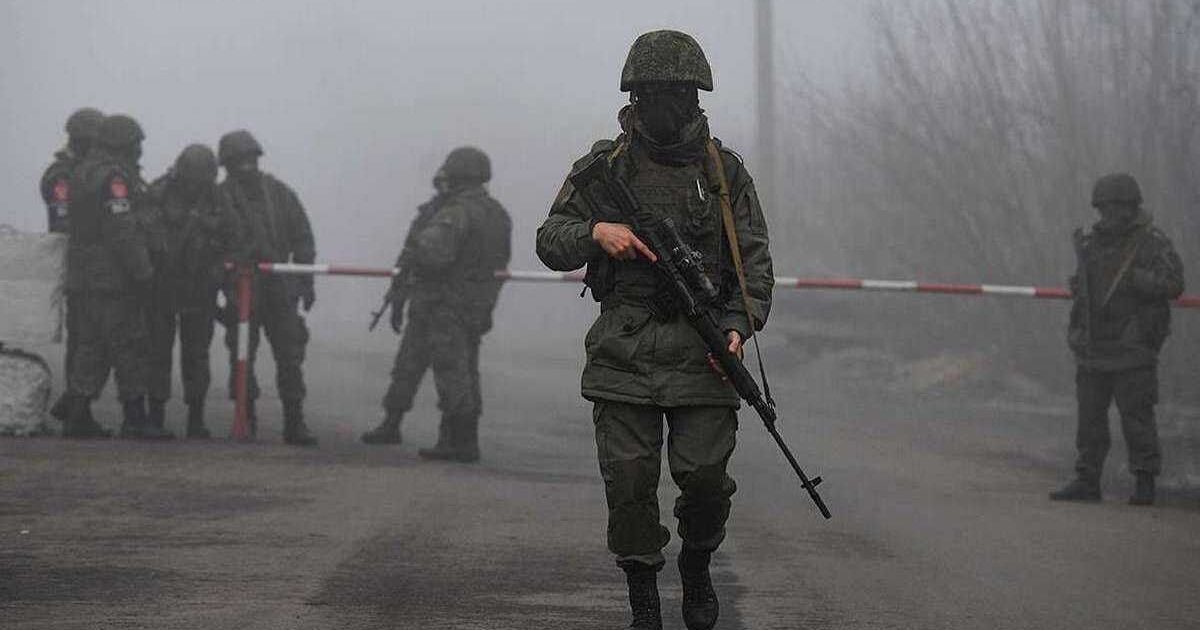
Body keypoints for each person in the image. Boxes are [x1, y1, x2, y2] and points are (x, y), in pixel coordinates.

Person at [535, 30, 774, 630]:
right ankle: (643, 595)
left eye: (677, 93)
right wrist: (596, 233)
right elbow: (550, 239)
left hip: (704, 348)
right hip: (625, 349)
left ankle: (697, 564)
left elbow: (753, 267)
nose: (666, 104)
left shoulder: (724, 174)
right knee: (630, 485)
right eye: (654, 92)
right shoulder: (605, 169)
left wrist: (737, 328)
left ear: (695, 97)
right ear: (635, 96)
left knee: (706, 481)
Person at [361, 148, 512, 463]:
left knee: (449, 371)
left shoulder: (456, 212)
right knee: (439, 367)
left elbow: (432, 254)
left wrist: (412, 267)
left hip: (442, 303)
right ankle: (414, 428)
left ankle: (459, 441)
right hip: (468, 304)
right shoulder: (496, 214)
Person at [1051, 173, 1184, 506]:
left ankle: (1144, 481)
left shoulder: (1151, 242)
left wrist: (1138, 280)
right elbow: (1084, 290)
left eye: (1111, 208)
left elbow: (1173, 283)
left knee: (1137, 419)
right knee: (1090, 420)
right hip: (1094, 347)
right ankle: (1087, 479)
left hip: (1133, 347)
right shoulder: (1092, 244)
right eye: (1102, 209)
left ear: (1128, 207)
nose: (1106, 215)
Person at [62, 114, 171, 439]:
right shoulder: (114, 178)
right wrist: (143, 273)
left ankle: (77, 414)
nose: (140, 151)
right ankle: (135, 418)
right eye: (136, 144)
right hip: (113, 278)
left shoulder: (82, 172)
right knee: (130, 345)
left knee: (91, 346)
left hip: (85, 278)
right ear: (123, 144)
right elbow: (122, 230)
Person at [218, 129, 318, 446]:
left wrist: (306, 281)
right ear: (227, 164)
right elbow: (210, 248)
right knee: (241, 357)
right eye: (239, 161)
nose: (247, 166)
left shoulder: (280, 194)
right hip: (241, 290)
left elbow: (302, 238)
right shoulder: (219, 199)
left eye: (250, 159)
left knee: (290, 356)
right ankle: (245, 418)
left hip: (280, 288)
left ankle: (295, 420)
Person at [143, 144, 237, 438]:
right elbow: (142, 235)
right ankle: (155, 417)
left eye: (202, 179)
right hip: (161, 287)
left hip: (200, 289)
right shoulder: (158, 193)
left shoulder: (218, 198)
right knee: (157, 353)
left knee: (197, 355)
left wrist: (220, 272)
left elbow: (233, 240)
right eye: (192, 179)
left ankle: (196, 419)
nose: (196, 186)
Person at [41, 108, 105, 431]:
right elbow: (63, 221)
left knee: (91, 340)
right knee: (83, 340)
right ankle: (76, 411)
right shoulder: (62, 176)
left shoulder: (83, 172)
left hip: (92, 269)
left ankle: (75, 405)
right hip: (79, 269)